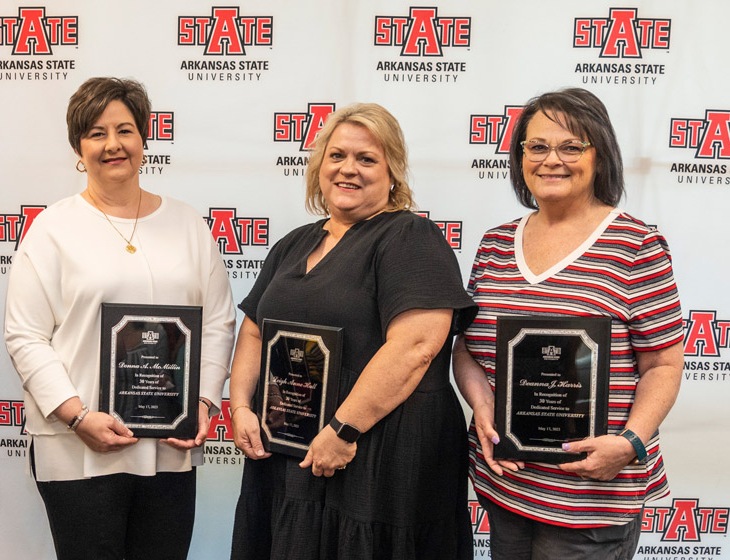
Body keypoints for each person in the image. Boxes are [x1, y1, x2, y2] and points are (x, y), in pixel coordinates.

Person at [228, 103, 477, 559]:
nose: (349, 169)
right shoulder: (295, 242)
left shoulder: (410, 239)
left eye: (367, 159)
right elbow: (253, 332)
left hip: (376, 456)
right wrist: (242, 406)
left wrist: (342, 430)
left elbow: (416, 347)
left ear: (393, 173)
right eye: (337, 156)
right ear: (319, 166)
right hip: (293, 450)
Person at [3, 77, 235, 560]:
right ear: (78, 147)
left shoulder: (188, 224)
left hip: (169, 446)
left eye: (125, 130)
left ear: (145, 139)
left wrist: (205, 403)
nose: (113, 145)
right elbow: (25, 334)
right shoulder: (52, 229)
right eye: (96, 133)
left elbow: (216, 322)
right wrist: (77, 415)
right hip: (79, 446)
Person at [452, 87, 684, 559]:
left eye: (570, 146)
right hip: (507, 484)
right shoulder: (496, 243)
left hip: (593, 494)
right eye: (536, 146)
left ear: (600, 155)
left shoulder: (636, 245)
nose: (551, 160)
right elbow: (466, 350)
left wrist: (630, 442)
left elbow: (662, 364)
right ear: (519, 158)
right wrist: (480, 407)